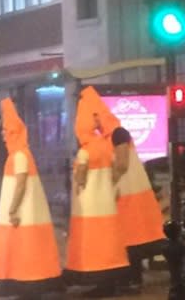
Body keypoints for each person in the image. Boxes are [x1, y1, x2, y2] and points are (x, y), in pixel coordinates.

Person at [0, 98, 63, 299]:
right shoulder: (19, 154)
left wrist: (12, 209)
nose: (3, 135)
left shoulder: (19, 155)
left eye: (6, 131)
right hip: (24, 215)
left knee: (24, 251)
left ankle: (27, 287)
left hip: (22, 216)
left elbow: (20, 184)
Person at [64, 86, 129, 298]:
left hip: (90, 208)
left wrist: (79, 180)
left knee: (92, 244)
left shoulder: (85, 150)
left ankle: (97, 282)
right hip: (107, 205)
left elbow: (81, 176)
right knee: (108, 242)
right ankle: (111, 282)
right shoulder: (105, 145)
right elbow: (119, 168)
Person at [111, 125, 166, 291]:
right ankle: (133, 278)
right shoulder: (118, 134)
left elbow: (121, 165)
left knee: (132, 241)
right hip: (133, 196)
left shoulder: (116, 134)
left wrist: (107, 184)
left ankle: (133, 280)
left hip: (128, 197)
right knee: (136, 240)